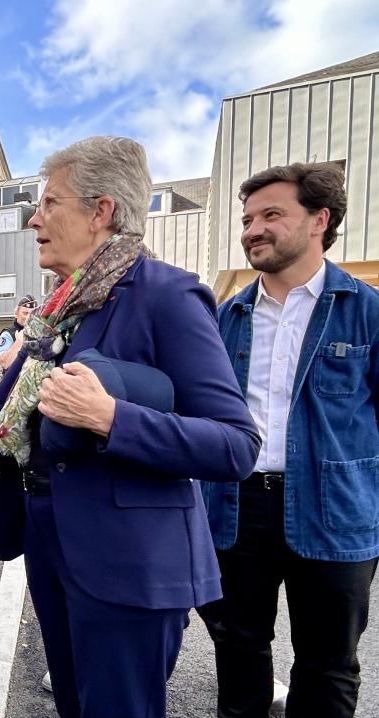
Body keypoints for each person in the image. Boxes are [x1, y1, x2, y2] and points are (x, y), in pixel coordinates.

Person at [0, 136, 260, 718]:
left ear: (101, 211)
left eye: (50, 204)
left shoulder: (167, 296)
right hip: (51, 541)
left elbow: (235, 445)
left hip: (128, 562)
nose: (35, 219)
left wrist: (111, 417)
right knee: (71, 705)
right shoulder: (59, 308)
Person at [198, 162, 379, 718]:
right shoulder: (223, 318)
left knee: (328, 664)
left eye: (271, 214)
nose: (253, 229)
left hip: (335, 510)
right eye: (248, 218)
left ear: (320, 219)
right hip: (236, 503)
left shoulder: (368, 312)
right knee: (237, 646)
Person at [0, 293, 37, 369]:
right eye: (25, 313)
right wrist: (18, 343)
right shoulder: (8, 334)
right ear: (16, 313)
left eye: (32, 314)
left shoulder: (39, 333)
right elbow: (4, 363)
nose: (28, 317)